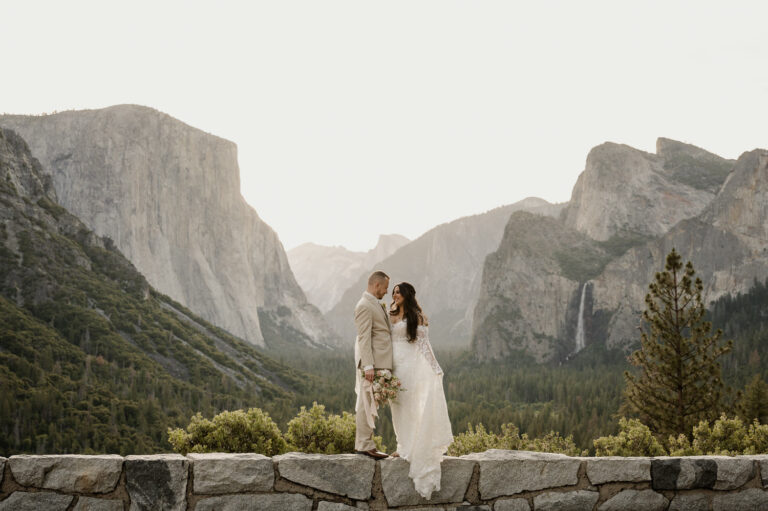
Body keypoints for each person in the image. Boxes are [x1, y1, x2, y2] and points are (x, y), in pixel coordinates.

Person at [388, 282, 453, 499]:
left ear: (407, 295)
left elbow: (424, 345)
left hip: (410, 367)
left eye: (398, 292)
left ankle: (413, 448)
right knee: (396, 406)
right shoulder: (390, 313)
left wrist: (435, 367)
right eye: (393, 292)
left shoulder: (418, 317)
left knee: (411, 406)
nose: (395, 295)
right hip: (393, 367)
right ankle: (402, 445)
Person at [353, 270, 393, 459]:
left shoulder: (373, 303)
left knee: (371, 404)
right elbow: (364, 337)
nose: (386, 292)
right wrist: (368, 365)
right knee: (366, 402)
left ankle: (367, 442)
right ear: (376, 285)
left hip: (380, 362)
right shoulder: (364, 306)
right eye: (385, 288)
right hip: (372, 364)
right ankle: (364, 444)